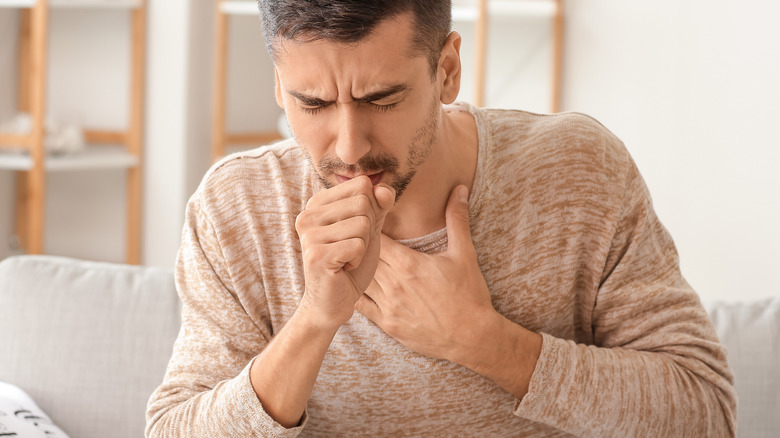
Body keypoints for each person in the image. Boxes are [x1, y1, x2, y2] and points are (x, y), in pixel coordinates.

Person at [146, 1, 736, 436]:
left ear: (447, 69)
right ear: (278, 82)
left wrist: (481, 340)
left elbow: (705, 414)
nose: (349, 148)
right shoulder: (238, 208)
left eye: (382, 100)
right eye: (314, 103)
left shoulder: (577, 171)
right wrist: (315, 320)